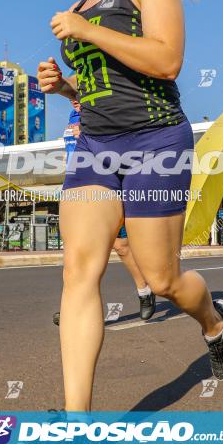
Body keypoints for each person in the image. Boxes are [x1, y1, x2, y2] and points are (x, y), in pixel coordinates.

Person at [19, 0, 223, 444]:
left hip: (155, 143)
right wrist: (64, 87)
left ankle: (214, 323)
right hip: (95, 145)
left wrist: (85, 32)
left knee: (164, 281)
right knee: (78, 272)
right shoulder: (81, 3)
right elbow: (102, 87)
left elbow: (166, 61)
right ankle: (78, 426)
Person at [53, 100, 156, 327]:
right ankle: (74, 305)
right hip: (76, 186)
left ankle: (144, 290)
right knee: (76, 250)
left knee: (120, 245)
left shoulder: (105, 111)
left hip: (105, 185)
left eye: (79, 90)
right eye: (71, 93)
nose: (74, 98)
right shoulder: (72, 115)